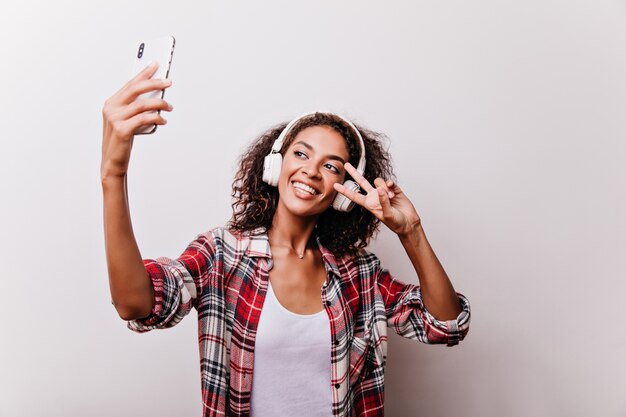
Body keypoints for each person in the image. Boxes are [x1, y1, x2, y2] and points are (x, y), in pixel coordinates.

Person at [101, 62, 471, 417]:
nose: (311, 170)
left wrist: (411, 232)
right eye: (301, 154)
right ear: (274, 165)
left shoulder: (359, 274)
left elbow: (445, 325)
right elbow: (135, 305)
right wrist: (113, 174)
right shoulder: (221, 255)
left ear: (344, 193)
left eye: (331, 166)